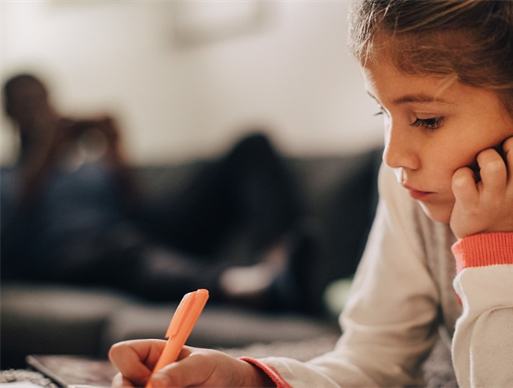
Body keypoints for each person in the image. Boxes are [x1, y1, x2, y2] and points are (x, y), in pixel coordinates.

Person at [108, 1, 513, 387]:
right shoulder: (417, 189)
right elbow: (375, 362)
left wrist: (491, 249)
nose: (395, 157)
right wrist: (248, 379)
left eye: (428, 119)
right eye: (385, 113)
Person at [1, 73, 305, 306]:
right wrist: (44, 156)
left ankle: (278, 259)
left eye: (43, 100)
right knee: (124, 247)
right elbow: (13, 245)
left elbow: (136, 208)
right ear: (11, 114)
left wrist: (115, 151)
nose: (41, 111)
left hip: (138, 234)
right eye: (28, 103)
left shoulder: (86, 168)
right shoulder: (11, 177)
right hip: (72, 257)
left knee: (252, 145)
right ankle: (250, 285)